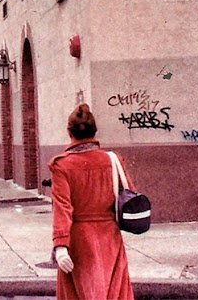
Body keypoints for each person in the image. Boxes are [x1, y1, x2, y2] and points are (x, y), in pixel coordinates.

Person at [49, 104, 135, 299]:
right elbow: (129, 195)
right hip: (109, 236)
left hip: (79, 240)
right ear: (95, 132)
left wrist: (61, 246)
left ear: (69, 132)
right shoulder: (113, 160)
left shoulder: (61, 165)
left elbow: (62, 208)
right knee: (114, 290)